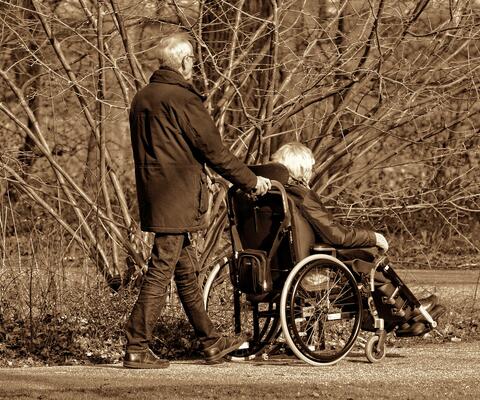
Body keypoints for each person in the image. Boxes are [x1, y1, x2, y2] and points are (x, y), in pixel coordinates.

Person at [125, 32, 272, 369]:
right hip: (177, 196)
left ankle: (210, 342)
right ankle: (136, 344)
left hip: (155, 194)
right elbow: (213, 150)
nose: (194, 65)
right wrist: (251, 181)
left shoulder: (142, 98)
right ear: (184, 61)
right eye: (192, 59)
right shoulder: (182, 99)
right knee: (162, 270)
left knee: (186, 272)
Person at [271, 141, 446, 336]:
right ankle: (405, 313)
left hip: (276, 273)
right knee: (369, 259)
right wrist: (373, 237)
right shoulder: (302, 196)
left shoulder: (271, 196)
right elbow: (337, 236)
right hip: (308, 268)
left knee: (360, 258)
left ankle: (399, 312)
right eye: (310, 169)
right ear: (302, 170)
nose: (311, 174)